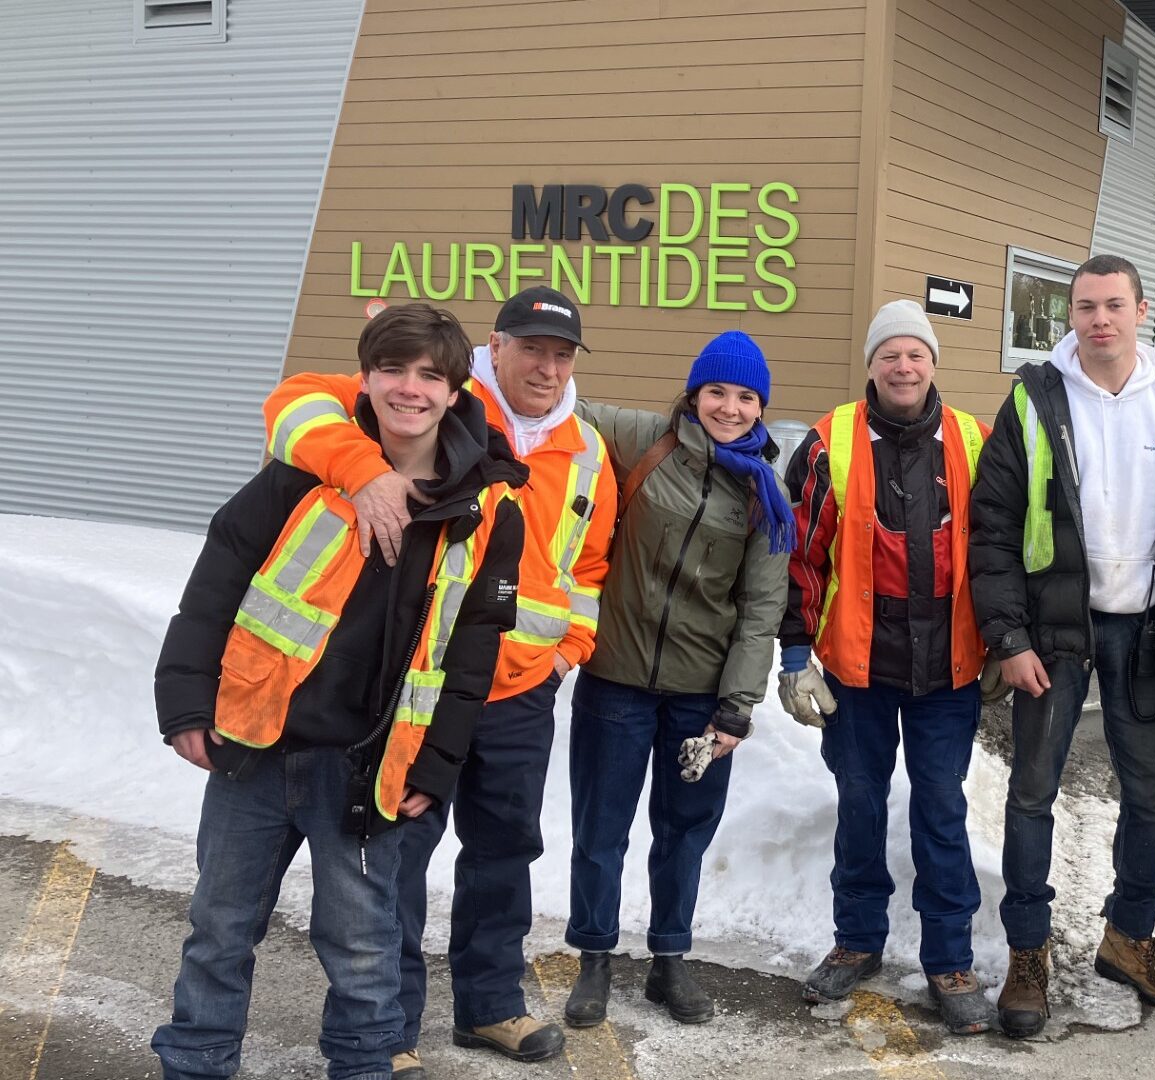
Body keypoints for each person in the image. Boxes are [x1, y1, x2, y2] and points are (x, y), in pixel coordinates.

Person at [153, 304, 526, 1080]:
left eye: (430, 375)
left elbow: (473, 653)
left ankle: (362, 1067)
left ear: (458, 391)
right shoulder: (305, 469)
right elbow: (219, 574)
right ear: (366, 377)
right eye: (393, 369)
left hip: (368, 771)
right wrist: (185, 700)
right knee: (219, 929)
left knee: (363, 952)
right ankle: (195, 1061)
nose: (410, 389)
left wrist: (439, 767)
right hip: (253, 750)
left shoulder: (492, 511)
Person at [262, 286, 615, 1074]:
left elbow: (588, 570)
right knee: (395, 853)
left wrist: (569, 652)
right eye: (532, 349)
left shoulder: (588, 451)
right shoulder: (444, 399)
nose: (547, 368)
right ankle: (389, 1026)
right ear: (497, 345)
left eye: (561, 356)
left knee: (503, 852)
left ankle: (491, 1008)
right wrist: (362, 469)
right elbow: (294, 403)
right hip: (422, 680)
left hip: (521, 692)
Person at [968, 254, 1155, 1038]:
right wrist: (1007, 636)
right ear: (1068, 316)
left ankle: (1128, 939)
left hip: (1144, 633)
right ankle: (1027, 953)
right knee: (1032, 793)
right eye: (1085, 307)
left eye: (1114, 305)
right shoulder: (1034, 403)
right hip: (1054, 634)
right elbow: (993, 528)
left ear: (1145, 312)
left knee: (1152, 796)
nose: (1099, 319)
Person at [561, 330, 793, 1028]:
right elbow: (555, 408)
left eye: (745, 397)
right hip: (615, 681)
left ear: (760, 406)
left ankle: (669, 960)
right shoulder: (645, 440)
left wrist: (736, 709)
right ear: (694, 393)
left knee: (683, 831)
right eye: (717, 391)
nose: (729, 407)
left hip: (700, 698)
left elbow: (760, 611)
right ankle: (594, 957)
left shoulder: (764, 493)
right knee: (600, 829)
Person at [778, 301, 997, 1034]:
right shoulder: (827, 442)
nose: (904, 368)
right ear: (870, 364)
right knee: (861, 807)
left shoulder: (973, 440)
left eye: (916, 355)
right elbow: (800, 558)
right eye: (890, 355)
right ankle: (857, 940)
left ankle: (950, 958)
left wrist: (1003, 639)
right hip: (855, 671)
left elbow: (998, 550)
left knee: (942, 810)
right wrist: (796, 656)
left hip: (949, 671)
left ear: (933, 364)